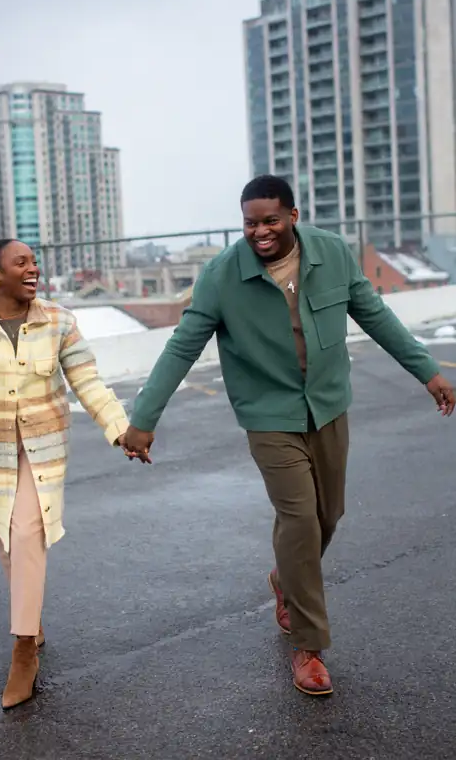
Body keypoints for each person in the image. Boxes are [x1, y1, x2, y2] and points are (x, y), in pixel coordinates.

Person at [123, 175, 455, 696]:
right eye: (251, 223)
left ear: (293, 217)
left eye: (270, 221)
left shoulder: (331, 254)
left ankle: (285, 579)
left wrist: (428, 371)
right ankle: (308, 645)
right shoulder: (220, 276)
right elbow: (182, 345)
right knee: (300, 520)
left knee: (328, 516)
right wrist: (144, 419)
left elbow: (374, 314)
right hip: (268, 413)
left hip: (327, 405)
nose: (260, 232)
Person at [0, 239, 134, 710]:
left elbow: (88, 382)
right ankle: (31, 615)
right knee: (6, 537)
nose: (33, 269)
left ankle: (23, 650)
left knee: (25, 533)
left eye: (35, 261)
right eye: (22, 263)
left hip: (42, 451)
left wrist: (120, 429)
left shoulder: (59, 321)